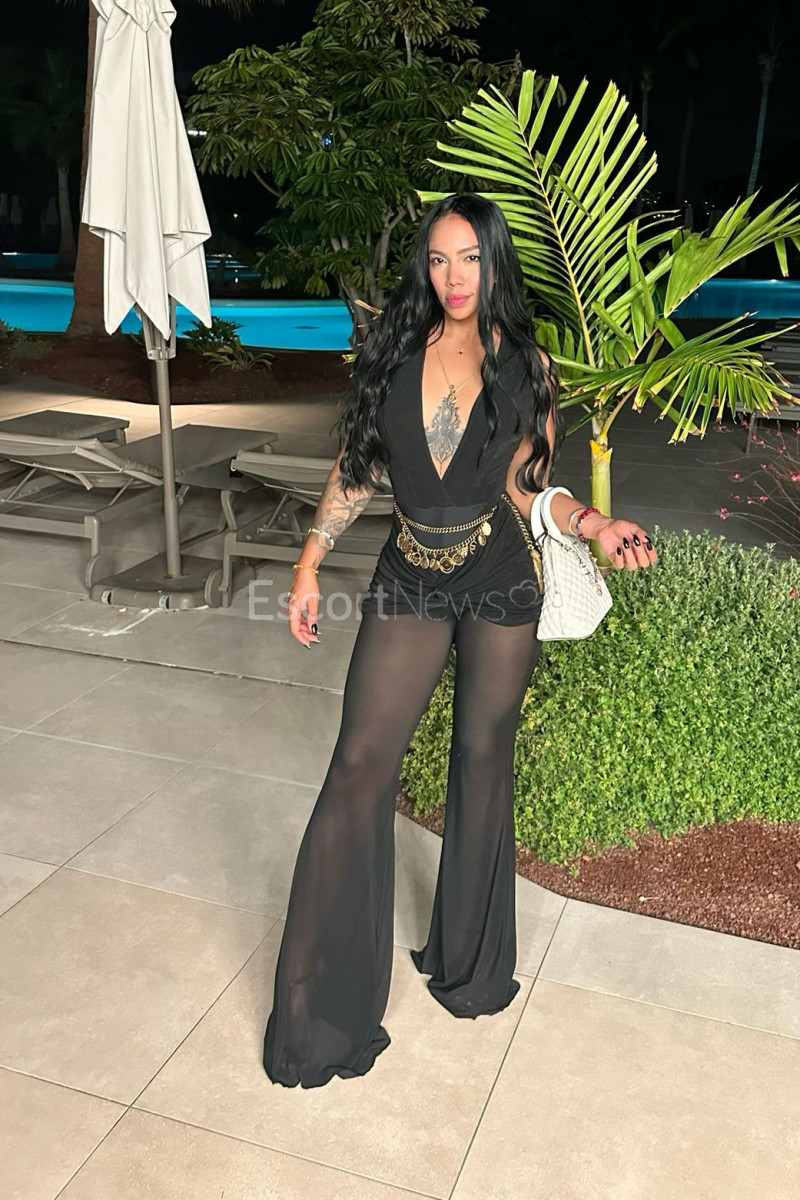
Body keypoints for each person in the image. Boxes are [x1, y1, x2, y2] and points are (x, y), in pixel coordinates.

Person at [262, 193, 658, 1089]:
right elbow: (357, 468)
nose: (455, 277)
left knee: (483, 756)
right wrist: (309, 562)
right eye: (440, 259)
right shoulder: (390, 350)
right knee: (358, 764)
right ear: (423, 267)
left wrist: (594, 523)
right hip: (408, 569)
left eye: (471, 258)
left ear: (494, 262)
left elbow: (529, 488)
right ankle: (322, 1014)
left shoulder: (527, 364)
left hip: (498, 573)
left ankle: (471, 966)